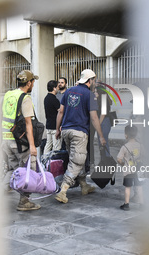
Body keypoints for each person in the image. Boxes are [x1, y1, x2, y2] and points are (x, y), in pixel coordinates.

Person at [54, 69, 106, 203]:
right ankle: (63, 190)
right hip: (79, 132)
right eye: (94, 80)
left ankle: (84, 185)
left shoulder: (69, 91)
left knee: (76, 158)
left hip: (66, 130)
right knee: (77, 160)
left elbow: (60, 112)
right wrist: (101, 136)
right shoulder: (89, 95)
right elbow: (94, 118)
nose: (94, 82)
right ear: (90, 81)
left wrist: (57, 129)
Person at [1, 70, 41, 211]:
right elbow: (28, 123)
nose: (34, 85)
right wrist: (32, 146)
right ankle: (24, 201)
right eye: (33, 82)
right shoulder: (25, 98)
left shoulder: (8, 94)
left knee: (13, 170)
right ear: (29, 83)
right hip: (19, 142)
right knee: (27, 170)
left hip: (6, 140)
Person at [117, 125, 144, 211]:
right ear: (136, 134)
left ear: (126, 135)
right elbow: (145, 156)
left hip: (128, 171)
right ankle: (142, 204)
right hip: (138, 170)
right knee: (139, 187)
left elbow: (119, 159)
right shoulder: (140, 145)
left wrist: (123, 164)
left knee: (127, 187)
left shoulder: (124, 147)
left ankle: (126, 204)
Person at [43, 80, 62, 154]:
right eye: (57, 86)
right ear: (54, 88)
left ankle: (44, 162)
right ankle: (54, 163)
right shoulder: (54, 99)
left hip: (48, 126)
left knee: (48, 145)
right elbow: (60, 111)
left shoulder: (46, 98)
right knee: (56, 147)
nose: (58, 88)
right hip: (55, 127)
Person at [95, 84, 112, 159]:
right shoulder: (101, 99)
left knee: (103, 141)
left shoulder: (103, 100)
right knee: (102, 142)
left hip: (104, 122)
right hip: (104, 121)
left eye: (96, 91)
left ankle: (106, 159)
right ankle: (104, 159)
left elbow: (103, 114)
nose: (95, 93)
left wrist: (98, 124)